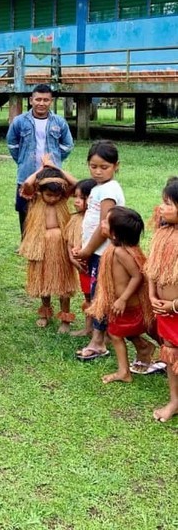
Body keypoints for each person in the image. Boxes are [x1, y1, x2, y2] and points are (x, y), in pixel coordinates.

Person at [89, 206, 156, 384]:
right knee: (123, 332)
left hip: (128, 305)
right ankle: (144, 348)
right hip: (122, 304)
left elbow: (137, 276)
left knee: (115, 335)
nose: (102, 223)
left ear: (115, 234)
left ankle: (124, 372)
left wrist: (122, 299)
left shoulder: (121, 252)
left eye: (106, 221)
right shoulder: (116, 248)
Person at [73, 140, 125, 361]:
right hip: (96, 252)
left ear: (116, 166)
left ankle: (98, 341)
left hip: (104, 253)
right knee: (97, 294)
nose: (98, 171)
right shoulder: (98, 188)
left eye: (104, 167)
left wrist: (87, 250)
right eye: (93, 166)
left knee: (100, 296)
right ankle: (101, 337)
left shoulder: (109, 191)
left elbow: (105, 226)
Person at [7, 83, 74, 236]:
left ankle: (50, 242)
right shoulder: (19, 121)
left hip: (52, 177)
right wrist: (23, 160)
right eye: (38, 99)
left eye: (45, 100)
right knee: (25, 214)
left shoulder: (59, 122)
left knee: (52, 213)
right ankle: (27, 243)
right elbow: (12, 144)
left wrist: (54, 161)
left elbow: (68, 145)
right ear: (31, 100)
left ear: (51, 101)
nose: (41, 103)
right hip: (27, 175)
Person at [19, 165, 78, 332]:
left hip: (60, 246)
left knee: (64, 283)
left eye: (56, 195)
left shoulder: (63, 198)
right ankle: (45, 313)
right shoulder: (35, 199)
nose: (53, 199)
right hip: (41, 246)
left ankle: (65, 318)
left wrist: (56, 169)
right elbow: (27, 183)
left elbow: (76, 184)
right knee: (43, 280)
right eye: (49, 195)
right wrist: (41, 171)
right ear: (40, 190)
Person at [145, 177, 178, 422]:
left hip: (173, 307)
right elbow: (152, 269)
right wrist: (151, 294)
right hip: (164, 310)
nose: (161, 208)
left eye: (168, 203)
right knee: (170, 353)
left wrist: (174, 305)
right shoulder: (162, 234)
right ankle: (175, 400)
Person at [65, 178, 97, 336]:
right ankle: (88, 327)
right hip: (81, 265)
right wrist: (71, 257)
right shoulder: (74, 219)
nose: (77, 201)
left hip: (94, 263)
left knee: (97, 296)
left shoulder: (95, 220)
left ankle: (104, 332)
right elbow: (69, 240)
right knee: (87, 295)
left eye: (82, 198)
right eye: (75, 197)